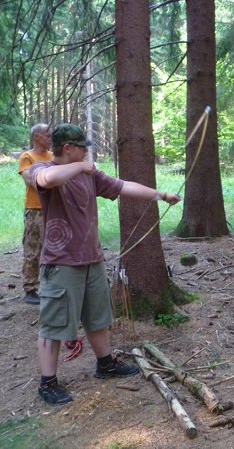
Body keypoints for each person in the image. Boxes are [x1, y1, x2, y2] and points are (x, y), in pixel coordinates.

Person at [24, 123, 181, 405]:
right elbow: (46, 180)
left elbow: (123, 186)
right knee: (54, 324)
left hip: (92, 258)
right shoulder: (42, 167)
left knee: (97, 316)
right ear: (68, 148)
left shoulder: (89, 174)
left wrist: (160, 195)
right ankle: (47, 383)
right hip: (62, 262)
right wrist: (80, 167)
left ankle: (105, 364)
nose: (86, 153)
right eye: (82, 148)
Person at [18, 123, 53, 304]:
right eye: (47, 135)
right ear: (36, 137)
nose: (50, 138)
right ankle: (30, 288)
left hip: (53, 208)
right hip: (34, 210)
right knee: (33, 249)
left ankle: (50, 285)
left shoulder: (53, 156)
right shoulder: (27, 157)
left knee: (53, 248)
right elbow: (30, 180)